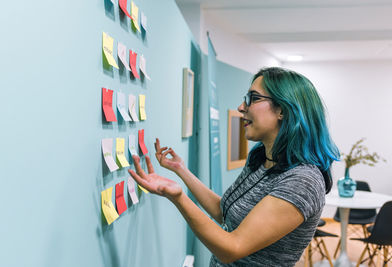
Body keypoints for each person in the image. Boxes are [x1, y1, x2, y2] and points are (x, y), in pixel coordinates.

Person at [128, 67, 340, 266]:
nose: (241, 107)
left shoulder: (302, 180)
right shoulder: (261, 159)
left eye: (253, 99)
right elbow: (226, 212)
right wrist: (181, 170)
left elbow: (232, 247)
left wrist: (178, 197)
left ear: (283, 110)